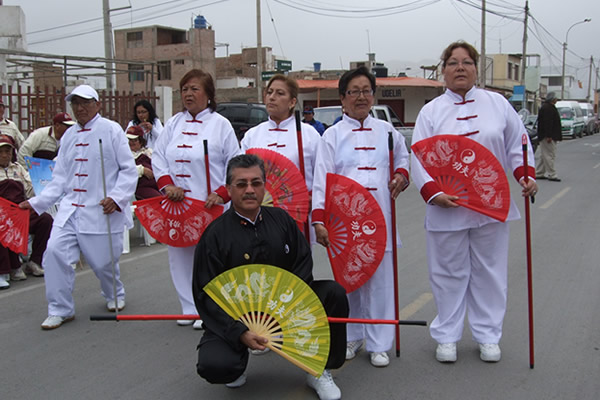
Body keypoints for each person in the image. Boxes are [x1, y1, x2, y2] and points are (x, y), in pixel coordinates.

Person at [410, 41, 537, 363]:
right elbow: (419, 158)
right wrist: (433, 192)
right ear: (444, 71)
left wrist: (525, 174)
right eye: (453, 62)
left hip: (491, 205)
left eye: (467, 62)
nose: (460, 68)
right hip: (447, 208)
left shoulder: (498, 104)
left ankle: (488, 335)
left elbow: (516, 144)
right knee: (447, 273)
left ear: (476, 69)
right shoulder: (431, 111)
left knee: (490, 273)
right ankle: (447, 336)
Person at [193, 154, 348, 400]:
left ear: (264, 186)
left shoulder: (282, 220)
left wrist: (284, 307)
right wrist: (239, 331)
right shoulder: (215, 235)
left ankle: (319, 368)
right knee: (215, 365)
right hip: (239, 318)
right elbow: (205, 292)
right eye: (241, 184)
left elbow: (302, 263)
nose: (250, 190)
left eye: (256, 183)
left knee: (333, 294)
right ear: (229, 189)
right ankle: (236, 363)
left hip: (286, 307)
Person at [311, 66, 410, 368]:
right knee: (350, 281)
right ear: (343, 98)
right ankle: (352, 335)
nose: (361, 97)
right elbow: (321, 179)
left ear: (373, 95)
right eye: (354, 91)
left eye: (366, 90)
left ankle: (380, 342)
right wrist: (319, 220)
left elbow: (403, 159)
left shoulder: (388, 132)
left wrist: (401, 175)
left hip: (380, 217)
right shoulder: (331, 136)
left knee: (381, 282)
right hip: (346, 223)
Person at [19, 84, 138, 330]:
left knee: (104, 262)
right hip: (71, 209)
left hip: (101, 210)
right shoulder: (69, 136)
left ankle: (114, 292)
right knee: (54, 253)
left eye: (85, 103)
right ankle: (60, 308)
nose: (79, 108)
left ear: (97, 104)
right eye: (75, 103)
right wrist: (36, 203)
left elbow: (128, 170)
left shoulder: (112, 130)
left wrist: (116, 197)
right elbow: (59, 178)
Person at [152, 69, 240, 329]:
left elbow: (236, 162)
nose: (189, 94)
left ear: (209, 95)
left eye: (195, 89)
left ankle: (211, 306)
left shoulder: (220, 124)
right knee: (179, 255)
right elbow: (158, 158)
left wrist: (222, 193)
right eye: (185, 89)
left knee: (210, 256)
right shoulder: (173, 124)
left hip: (209, 206)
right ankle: (189, 307)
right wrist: (167, 186)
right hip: (178, 206)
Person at [240, 75, 321, 242]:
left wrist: (313, 198)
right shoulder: (253, 135)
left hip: (298, 214)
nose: (272, 97)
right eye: (269, 92)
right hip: (259, 213)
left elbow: (321, 174)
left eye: (279, 93)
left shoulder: (309, 135)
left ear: (292, 102)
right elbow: (241, 172)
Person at [0, 135, 52, 289]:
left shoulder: (18, 168)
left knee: (45, 219)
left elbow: (30, 189)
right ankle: (6, 270)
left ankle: (34, 261)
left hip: (20, 210)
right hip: (2, 214)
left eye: (7, 152)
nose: (4, 155)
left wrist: (44, 186)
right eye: (1, 152)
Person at [125, 125, 161, 200]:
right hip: (140, 187)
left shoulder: (149, 152)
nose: (131, 143)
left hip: (157, 184)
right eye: (129, 140)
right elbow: (124, 170)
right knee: (159, 200)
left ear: (141, 141)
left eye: (134, 140)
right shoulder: (125, 154)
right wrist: (142, 170)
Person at [535, 92, 562, 182]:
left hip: (547, 135)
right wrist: (549, 135)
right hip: (547, 136)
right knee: (549, 155)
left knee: (544, 155)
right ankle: (552, 174)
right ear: (552, 99)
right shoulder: (548, 108)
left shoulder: (547, 107)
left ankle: (539, 172)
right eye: (555, 98)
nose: (556, 100)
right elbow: (548, 123)